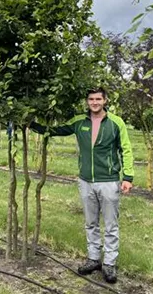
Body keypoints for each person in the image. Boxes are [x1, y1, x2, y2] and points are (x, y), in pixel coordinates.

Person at [30, 87, 133, 284]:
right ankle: (93, 259)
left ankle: (109, 263)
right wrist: (32, 125)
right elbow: (56, 130)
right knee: (90, 222)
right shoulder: (79, 122)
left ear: (105, 100)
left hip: (109, 181)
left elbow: (126, 149)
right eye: (91, 99)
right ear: (87, 102)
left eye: (98, 99)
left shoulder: (115, 123)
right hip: (85, 181)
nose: (94, 102)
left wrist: (127, 177)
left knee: (111, 224)